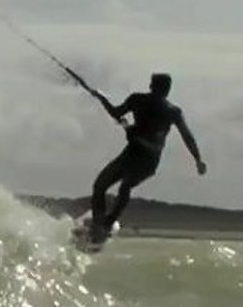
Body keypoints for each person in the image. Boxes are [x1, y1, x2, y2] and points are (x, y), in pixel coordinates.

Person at [87, 73, 206, 243]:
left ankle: (103, 224)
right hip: (138, 156)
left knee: (112, 186)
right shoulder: (166, 109)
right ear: (167, 90)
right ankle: (101, 224)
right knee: (113, 186)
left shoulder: (152, 105)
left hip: (143, 157)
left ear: (151, 86)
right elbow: (188, 137)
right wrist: (198, 159)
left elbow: (115, 112)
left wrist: (101, 97)